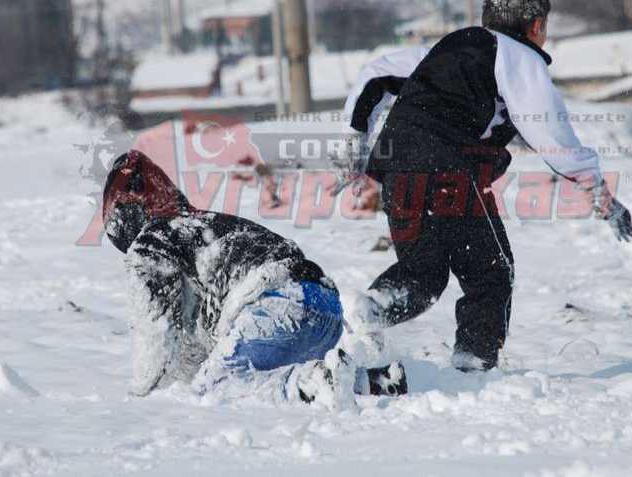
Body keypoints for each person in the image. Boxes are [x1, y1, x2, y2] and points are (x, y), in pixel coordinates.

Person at [340, 0, 632, 372]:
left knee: (421, 276)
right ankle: (473, 365)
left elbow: (375, 75)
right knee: (491, 274)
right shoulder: (519, 58)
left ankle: (367, 313)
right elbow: (551, 134)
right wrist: (599, 193)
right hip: (449, 171)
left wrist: (354, 143)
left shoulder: (444, 52)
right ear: (536, 26)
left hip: (399, 171)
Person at [102, 150, 407, 403]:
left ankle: (315, 382)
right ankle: (373, 382)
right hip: (325, 306)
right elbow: (194, 352)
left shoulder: (151, 241)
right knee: (253, 380)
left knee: (214, 392)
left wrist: (141, 397)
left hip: (278, 305)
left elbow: (155, 330)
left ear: (126, 214)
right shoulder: (203, 228)